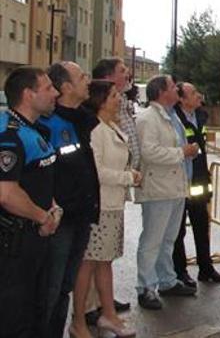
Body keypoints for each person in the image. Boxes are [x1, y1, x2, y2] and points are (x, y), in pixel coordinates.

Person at [69, 81, 140, 337]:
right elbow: (96, 171)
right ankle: (78, 321)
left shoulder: (112, 126)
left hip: (113, 204)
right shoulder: (96, 130)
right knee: (88, 265)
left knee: (104, 263)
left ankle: (108, 314)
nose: (118, 99)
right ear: (100, 100)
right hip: (100, 206)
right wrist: (128, 177)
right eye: (113, 96)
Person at [39, 62, 101, 338]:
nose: (87, 80)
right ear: (65, 87)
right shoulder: (47, 124)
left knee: (64, 287)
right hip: (59, 221)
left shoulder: (80, 120)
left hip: (80, 217)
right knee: (49, 290)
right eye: (81, 77)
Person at [0, 67, 61, 337]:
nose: (55, 93)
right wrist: (43, 217)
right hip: (14, 243)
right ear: (28, 94)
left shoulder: (34, 130)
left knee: (37, 312)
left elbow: (38, 179)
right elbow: (6, 193)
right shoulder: (9, 135)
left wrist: (54, 208)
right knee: (15, 319)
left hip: (36, 238)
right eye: (48, 88)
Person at [135, 75, 199, 309]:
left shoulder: (172, 118)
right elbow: (148, 152)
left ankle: (166, 280)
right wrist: (182, 153)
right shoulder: (147, 118)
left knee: (168, 239)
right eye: (173, 86)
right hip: (158, 189)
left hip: (175, 188)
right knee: (152, 240)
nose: (177, 89)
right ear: (162, 92)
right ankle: (145, 287)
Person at [172, 83, 220, 285]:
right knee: (178, 231)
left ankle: (206, 268)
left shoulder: (201, 116)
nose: (199, 95)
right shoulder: (173, 118)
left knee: (201, 226)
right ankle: (180, 272)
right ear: (181, 99)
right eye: (193, 93)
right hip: (181, 181)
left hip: (200, 179)